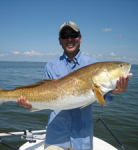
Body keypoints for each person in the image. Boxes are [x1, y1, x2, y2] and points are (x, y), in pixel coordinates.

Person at [18, 21, 129, 150]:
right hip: (55, 136)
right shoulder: (51, 66)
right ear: (60, 41)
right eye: (65, 36)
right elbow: (44, 95)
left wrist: (114, 92)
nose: (69, 39)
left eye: (73, 35)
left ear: (80, 38)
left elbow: (103, 100)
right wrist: (31, 103)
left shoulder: (93, 64)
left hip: (82, 138)